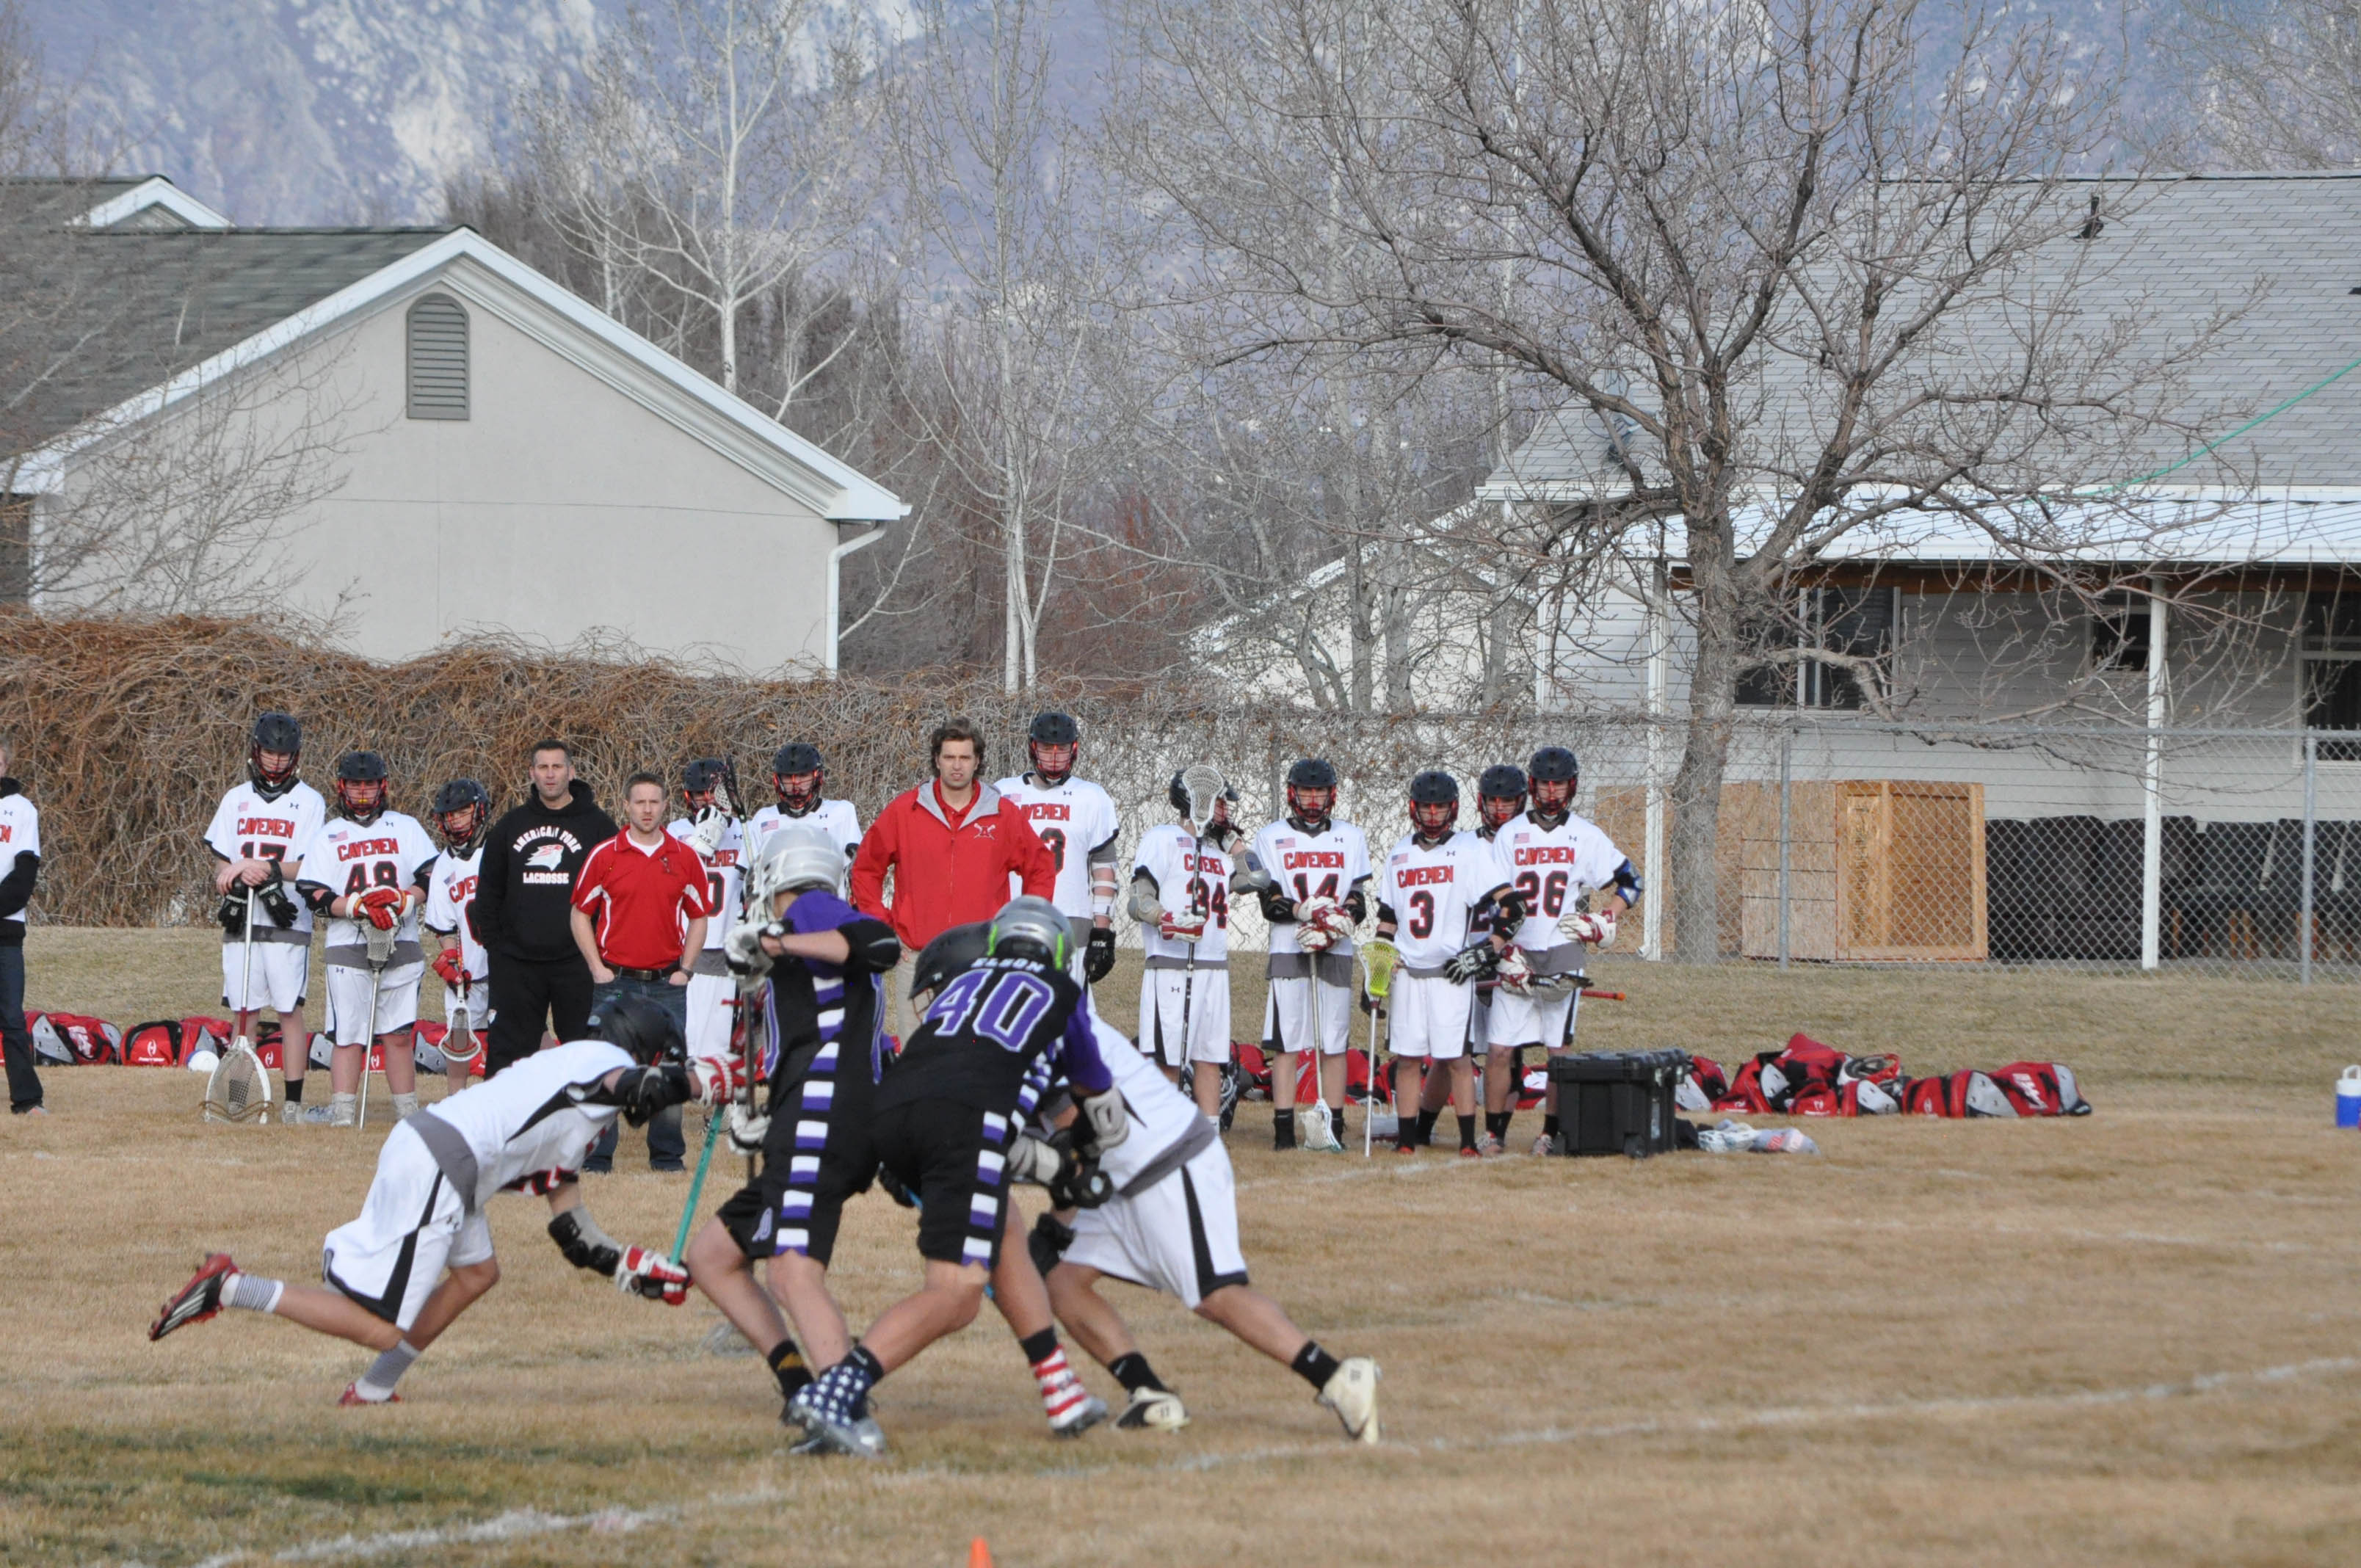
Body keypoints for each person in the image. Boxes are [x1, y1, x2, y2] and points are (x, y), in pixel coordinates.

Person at [147, 998, 728, 1404]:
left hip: (443, 1153)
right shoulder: (607, 1066)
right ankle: (231, 1287)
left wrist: (632, 1268)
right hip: (443, 1164)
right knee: (380, 1326)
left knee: (478, 1273)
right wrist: (709, 1079)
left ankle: (374, 1388)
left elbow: (573, 1234)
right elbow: (638, 1088)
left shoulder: (572, 1077)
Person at [785, 898, 1129, 1459]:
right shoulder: (1062, 991)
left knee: (1005, 1230)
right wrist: (1080, 1158)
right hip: (963, 1124)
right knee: (957, 1295)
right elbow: (1101, 1106)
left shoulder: (964, 981)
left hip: (892, 1111)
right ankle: (835, 1391)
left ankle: (1060, 1389)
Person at [1035, 1005, 1381, 1442]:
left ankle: (1338, 1377)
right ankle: (1149, 1394)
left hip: (1166, 1158)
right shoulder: (1021, 1012)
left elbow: (1074, 1144)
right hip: (1122, 1174)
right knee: (1061, 1279)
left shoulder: (1031, 1024)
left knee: (1214, 1294)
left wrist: (1051, 1225)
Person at [683, 827, 900, 1424]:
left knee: (791, 1272)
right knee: (712, 1257)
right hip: (810, 1114)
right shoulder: (807, 942)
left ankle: (844, 1409)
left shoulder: (810, 907)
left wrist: (777, 942)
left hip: (823, 1114)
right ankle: (799, 1384)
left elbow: (879, 943)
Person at [849, 717, 1056, 1042]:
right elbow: (865, 869)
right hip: (918, 959)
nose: (957, 766)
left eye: (964, 757)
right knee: (918, 1057)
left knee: (977, 1059)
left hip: (982, 959)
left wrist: (1023, 928)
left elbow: (1041, 868)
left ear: (977, 761)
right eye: (949, 757)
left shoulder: (1003, 815)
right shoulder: (905, 811)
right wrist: (882, 925)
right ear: (937, 760)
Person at [1490, 747, 1641, 1154]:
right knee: (1500, 1049)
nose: (1551, 792)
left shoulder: (1586, 835)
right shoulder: (1510, 834)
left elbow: (1632, 881)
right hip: (1518, 950)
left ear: (1571, 786)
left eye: (1558, 784)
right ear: (1532, 786)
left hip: (1562, 948)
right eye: (1544, 784)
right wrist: (1502, 949)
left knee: (1558, 1051)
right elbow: (1490, 897)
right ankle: (1493, 1132)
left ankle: (1549, 1131)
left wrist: (1606, 918)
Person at [570, 772, 714, 1173]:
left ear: (665, 805)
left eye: (654, 802)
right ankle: (598, 1157)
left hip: (666, 983)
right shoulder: (605, 855)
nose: (647, 810)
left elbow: (699, 916)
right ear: (626, 806)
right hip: (615, 981)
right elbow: (580, 914)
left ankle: (667, 1157)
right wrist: (596, 967)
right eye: (640, 802)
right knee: (607, 1067)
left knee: (668, 1069)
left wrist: (686, 969)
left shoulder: (684, 857)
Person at [1370, 772, 1518, 1158]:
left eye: (1439, 808)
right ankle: (1407, 1140)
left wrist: (1486, 950)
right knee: (1407, 1059)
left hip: (1451, 972)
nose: (1433, 815)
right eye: (1426, 808)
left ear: (1452, 809)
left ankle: (1468, 1142)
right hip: (1408, 973)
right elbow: (1387, 921)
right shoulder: (1399, 853)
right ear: (1413, 809)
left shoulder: (1469, 850)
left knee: (1457, 1058)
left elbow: (1512, 906)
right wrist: (1378, 975)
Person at [292, 752, 438, 1127]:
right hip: (348, 943)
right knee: (348, 1035)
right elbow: (312, 892)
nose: (362, 792)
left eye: (369, 784)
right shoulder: (328, 835)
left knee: (398, 1034)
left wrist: (406, 899)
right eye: (355, 785)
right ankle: (342, 1113)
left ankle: (407, 1113)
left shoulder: (405, 827)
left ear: (382, 786)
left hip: (401, 939)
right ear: (342, 787)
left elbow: (431, 876)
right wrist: (355, 906)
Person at [202, 712, 327, 1122]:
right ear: (257, 752)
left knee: (289, 1009)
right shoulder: (235, 798)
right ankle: (240, 1097)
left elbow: (309, 864)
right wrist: (234, 872)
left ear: (295, 756)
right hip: (242, 916)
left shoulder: (310, 801)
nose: (275, 761)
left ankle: (292, 1104)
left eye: (283, 754)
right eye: (270, 753)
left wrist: (266, 868)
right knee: (244, 1010)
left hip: (286, 918)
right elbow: (222, 860)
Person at [471, 741, 616, 1077]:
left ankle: (584, 1111)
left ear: (571, 772)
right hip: (517, 964)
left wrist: (600, 953)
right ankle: (506, 1111)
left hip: (578, 962)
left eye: (557, 767)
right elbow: (488, 892)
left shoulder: (599, 827)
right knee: (508, 1056)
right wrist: (498, 948)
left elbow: (615, 893)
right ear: (532, 774)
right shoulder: (510, 826)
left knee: (587, 1052)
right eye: (543, 767)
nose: (550, 775)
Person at [1248, 758, 1372, 1151]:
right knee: (1287, 1044)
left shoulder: (1350, 837)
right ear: (1293, 793)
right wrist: (1304, 912)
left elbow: (1358, 899)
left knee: (1333, 1043)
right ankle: (1284, 1131)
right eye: (1306, 791)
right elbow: (1269, 902)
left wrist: (1339, 921)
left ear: (1331, 795)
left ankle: (1334, 1126)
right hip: (1289, 948)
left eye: (1319, 792)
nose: (1313, 799)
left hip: (1336, 949)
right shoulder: (1271, 836)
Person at [1128, 769, 1241, 1115]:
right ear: (1197, 800)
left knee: (1210, 1059)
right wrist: (1167, 919)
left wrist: (1234, 844)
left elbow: (1257, 878)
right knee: (1169, 1060)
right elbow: (1138, 900)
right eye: (1219, 802)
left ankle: (1209, 1134)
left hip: (1213, 964)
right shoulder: (1163, 838)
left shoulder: (1220, 852)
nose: (1224, 810)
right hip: (1172, 964)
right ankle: (1165, 1132)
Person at [992, 712, 1123, 985]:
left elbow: (1104, 870)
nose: (1054, 756)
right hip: (1015, 917)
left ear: (1073, 749)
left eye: (1061, 749)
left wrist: (1102, 932)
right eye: (1046, 748)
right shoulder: (1002, 793)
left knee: (1068, 1006)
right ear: (1033, 748)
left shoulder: (1092, 796)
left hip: (1072, 921)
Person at [667, 758, 745, 1067]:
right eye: (700, 794)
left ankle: (714, 1078)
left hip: (728, 939)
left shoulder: (744, 830)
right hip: (688, 941)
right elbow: (670, 879)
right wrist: (700, 843)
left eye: (713, 793)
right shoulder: (677, 831)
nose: (707, 800)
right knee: (689, 1026)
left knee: (721, 1029)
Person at [1468, 764, 1529, 1151]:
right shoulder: (1465, 845)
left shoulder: (1527, 844)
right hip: (1469, 955)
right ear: (1482, 803)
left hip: (1510, 956)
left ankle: (1498, 1131)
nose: (1501, 808)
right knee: (1455, 1053)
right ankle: (1422, 1126)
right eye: (1494, 801)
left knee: (1509, 1050)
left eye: (1508, 801)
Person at [421, 779, 493, 1100]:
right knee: (458, 1037)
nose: (456, 821)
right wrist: (450, 959)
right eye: (450, 815)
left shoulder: (498, 850)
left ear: (479, 811)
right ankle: (456, 1102)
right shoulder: (443, 866)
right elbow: (445, 926)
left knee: (513, 1036)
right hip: (469, 971)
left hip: (504, 964)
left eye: (463, 812)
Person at [0, 740, 44, 1117]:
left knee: (12, 1018)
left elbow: (24, 874)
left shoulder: (22, 810)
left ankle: (27, 1100)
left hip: (5, 931)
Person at [744, 743, 862, 868]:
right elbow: (748, 876)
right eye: (789, 777)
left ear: (816, 776)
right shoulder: (763, 819)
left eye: (803, 775)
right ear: (778, 780)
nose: (796, 783)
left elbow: (858, 869)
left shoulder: (841, 812)